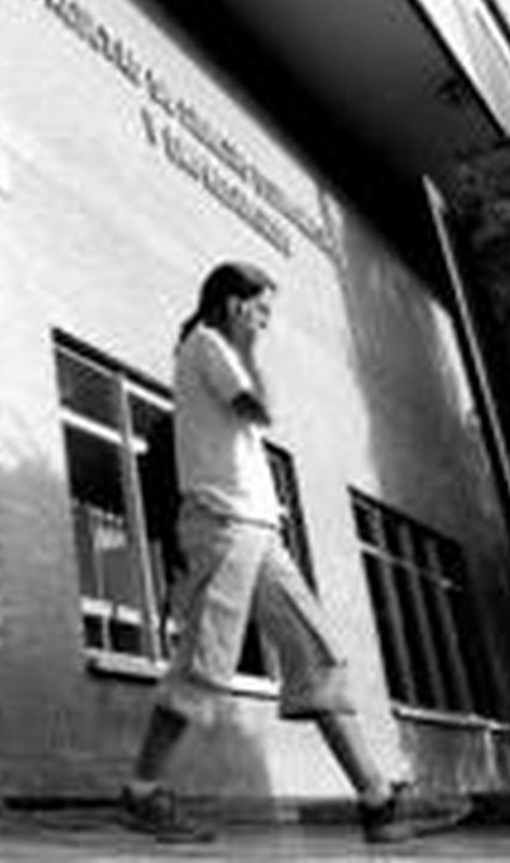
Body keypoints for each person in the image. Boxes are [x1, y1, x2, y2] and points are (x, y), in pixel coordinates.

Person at [119, 262, 464, 844]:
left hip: (259, 532)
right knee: (204, 663)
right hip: (225, 526)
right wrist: (249, 346)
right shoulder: (207, 346)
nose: (265, 321)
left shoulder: (218, 350)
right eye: (260, 309)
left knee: (316, 653)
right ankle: (142, 792)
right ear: (233, 305)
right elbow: (263, 410)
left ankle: (378, 802)